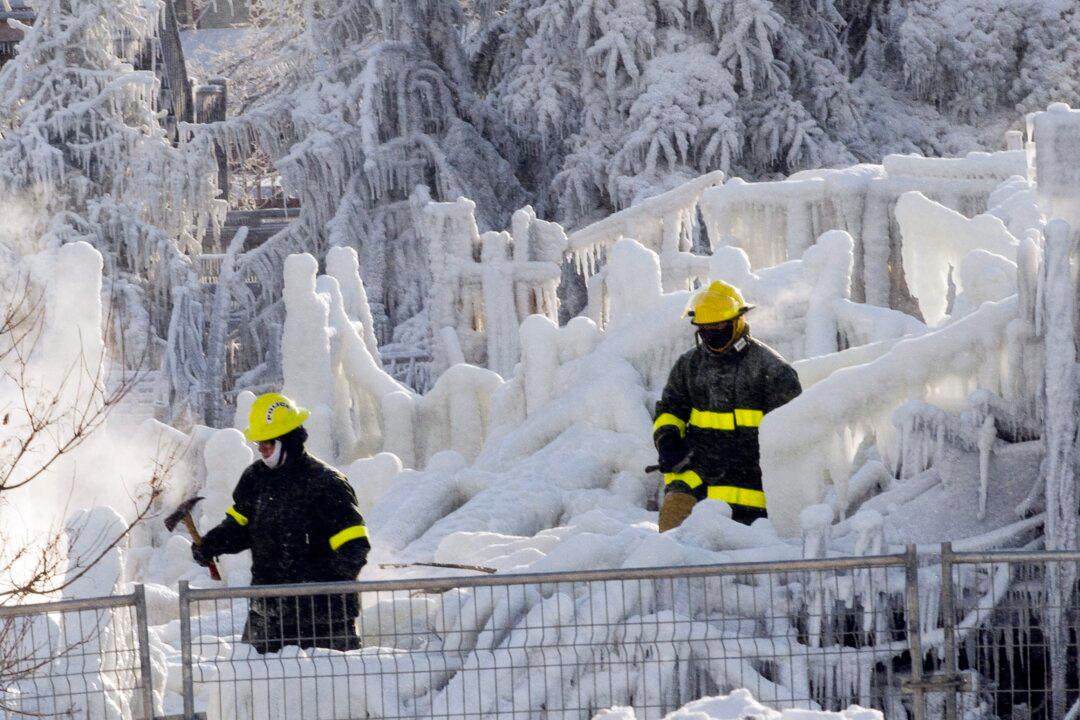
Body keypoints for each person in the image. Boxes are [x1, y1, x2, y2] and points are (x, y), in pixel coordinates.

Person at [193, 393, 370, 653]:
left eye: (267, 442)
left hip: (325, 622)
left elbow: (354, 547)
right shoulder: (255, 479)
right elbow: (239, 526)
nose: (261, 448)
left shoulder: (327, 484)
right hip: (268, 616)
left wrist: (315, 588)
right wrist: (211, 544)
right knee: (252, 677)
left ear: (288, 439)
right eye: (258, 442)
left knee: (330, 681)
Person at [653, 281, 802, 532]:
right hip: (695, 477)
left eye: (718, 326)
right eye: (705, 327)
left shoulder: (773, 370)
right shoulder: (689, 365)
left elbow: (792, 435)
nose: (711, 332)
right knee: (672, 536)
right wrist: (667, 441)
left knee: (743, 551)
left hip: (752, 487)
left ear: (738, 320)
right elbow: (670, 409)